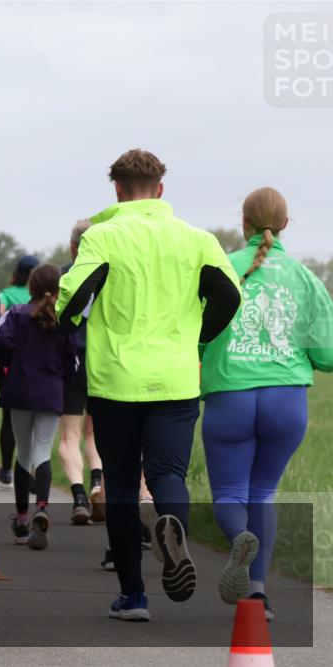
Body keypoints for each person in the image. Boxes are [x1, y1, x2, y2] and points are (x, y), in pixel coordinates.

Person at [56, 148, 241, 621]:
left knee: (120, 483)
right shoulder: (197, 240)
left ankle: (133, 596)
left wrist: (66, 322)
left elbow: (73, 296)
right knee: (167, 475)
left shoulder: (102, 236)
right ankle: (171, 524)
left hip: (116, 381)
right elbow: (229, 294)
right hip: (175, 379)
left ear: (117, 189)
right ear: (160, 189)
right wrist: (196, 338)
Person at [200, 187, 333, 621]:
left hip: (230, 396)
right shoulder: (306, 278)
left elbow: (194, 336)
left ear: (244, 224)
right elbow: (328, 355)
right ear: (286, 224)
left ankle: (240, 537)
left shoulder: (221, 268)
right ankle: (257, 593)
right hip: (286, 401)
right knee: (262, 492)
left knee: (230, 494)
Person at [0, 264, 78, 550]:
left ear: (31, 286)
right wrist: (60, 380)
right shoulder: (63, 319)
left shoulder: (16, 314)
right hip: (50, 393)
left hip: (19, 390)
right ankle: (42, 507)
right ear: (58, 289)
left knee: (24, 453)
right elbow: (73, 362)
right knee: (42, 452)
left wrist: (10, 364)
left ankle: (22, 521)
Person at [58, 219, 105, 525]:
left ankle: (78, 496)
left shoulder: (65, 275)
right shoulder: (110, 275)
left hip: (72, 359)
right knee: (94, 432)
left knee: (69, 434)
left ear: (73, 246)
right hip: (103, 362)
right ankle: (98, 483)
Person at [0, 255, 39, 487]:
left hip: (11, 367)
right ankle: (33, 472)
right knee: (37, 420)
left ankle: (7, 470)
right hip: (40, 366)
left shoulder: (6, 295)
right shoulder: (45, 298)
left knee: (9, 419)